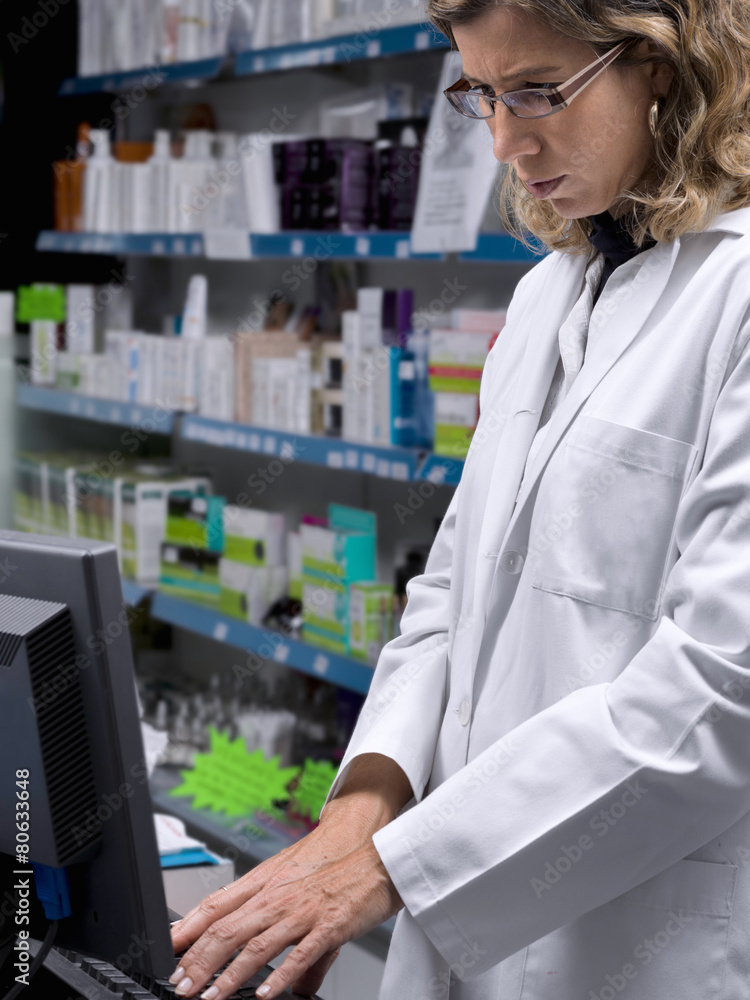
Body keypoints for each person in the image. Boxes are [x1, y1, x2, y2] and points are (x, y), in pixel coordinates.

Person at [169, 0, 750, 997]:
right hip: (462, 939)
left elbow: (719, 686)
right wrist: (364, 809)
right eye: (480, 93)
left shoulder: (736, 296)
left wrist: (394, 867)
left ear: (661, 63)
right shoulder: (545, 296)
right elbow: (449, 590)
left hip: (644, 945)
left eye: (537, 90)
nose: (504, 140)